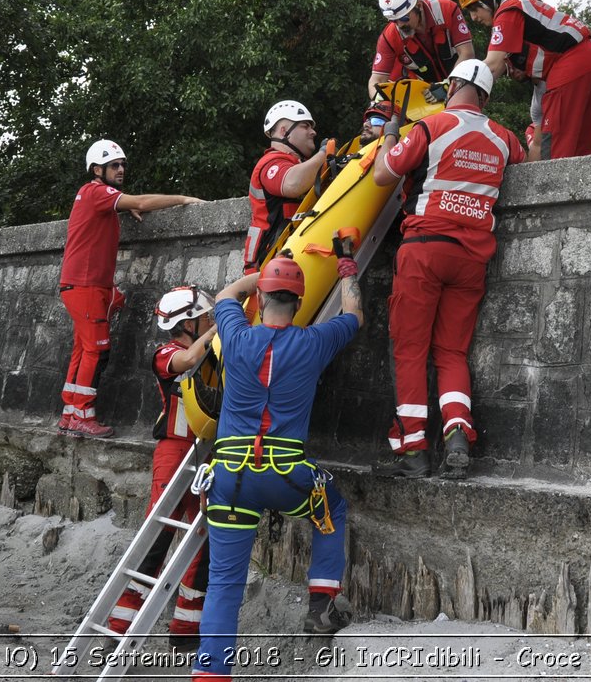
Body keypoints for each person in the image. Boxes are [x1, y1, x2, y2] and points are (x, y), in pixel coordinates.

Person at [193, 251, 364, 681]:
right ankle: (321, 604)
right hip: (288, 475)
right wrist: (346, 268)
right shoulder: (315, 341)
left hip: (230, 478)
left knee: (224, 584)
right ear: (300, 299)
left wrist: (261, 274)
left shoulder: (234, 334)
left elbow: (227, 293)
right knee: (333, 508)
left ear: (264, 297)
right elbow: (354, 313)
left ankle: (210, 674)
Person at [370, 59, 526, 480]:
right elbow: (530, 160)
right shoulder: (504, 138)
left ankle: (414, 450)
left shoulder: (432, 127)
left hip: (424, 248)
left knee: (410, 349)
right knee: (452, 352)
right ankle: (457, 433)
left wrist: (388, 135)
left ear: (454, 84)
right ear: (487, 96)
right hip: (472, 257)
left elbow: (384, 176)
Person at [60, 139, 204, 438]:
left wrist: (123, 210)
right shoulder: (98, 191)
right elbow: (138, 201)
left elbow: (123, 206)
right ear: (97, 169)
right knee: (96, 352)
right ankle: (81, 417)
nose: (121, 169)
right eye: (115, 165)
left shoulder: (95, 195)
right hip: (86, 285)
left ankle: (70, 413)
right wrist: (181, 198)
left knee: (83, 350)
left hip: (85, 284)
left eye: (123, 164)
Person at [106, 286, 218, 649]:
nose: (212, 321)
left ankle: (186, 630)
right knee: (156, 542)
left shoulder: (211, 350)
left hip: (206, 452)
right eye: (206, 317)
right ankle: (119, 628)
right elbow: (185, 364)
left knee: (205, 544)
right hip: (174, 451)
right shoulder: (166, 352)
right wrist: (222, 327)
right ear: (188, 323)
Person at [458, 0, 591, 160]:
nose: (473, 18)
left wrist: (458, 88)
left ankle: (554, 191)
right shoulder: (522, 4)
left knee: (555, 152)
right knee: (584, 149)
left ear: (488, 1)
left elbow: (494, 64)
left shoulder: (507, 10)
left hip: (570, 68)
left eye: (474, 9)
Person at [242, 102, 328, 274]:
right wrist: (324, 154)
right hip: (268, 267)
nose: (313, 132)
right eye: (305, 126)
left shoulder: (304, 167)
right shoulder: (269, 164)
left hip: (288, 257)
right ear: (283, 131)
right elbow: (292, 184)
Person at [366, 0, 475, 98]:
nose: (399, 25)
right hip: (422, 98)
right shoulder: (390, 36)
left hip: (459, 85)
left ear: (418, 5)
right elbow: (376, 80)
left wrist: (449, 85)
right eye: (393, 20)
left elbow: (467, 53)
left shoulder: (446, 10)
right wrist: (378, 100)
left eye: (404, 18)